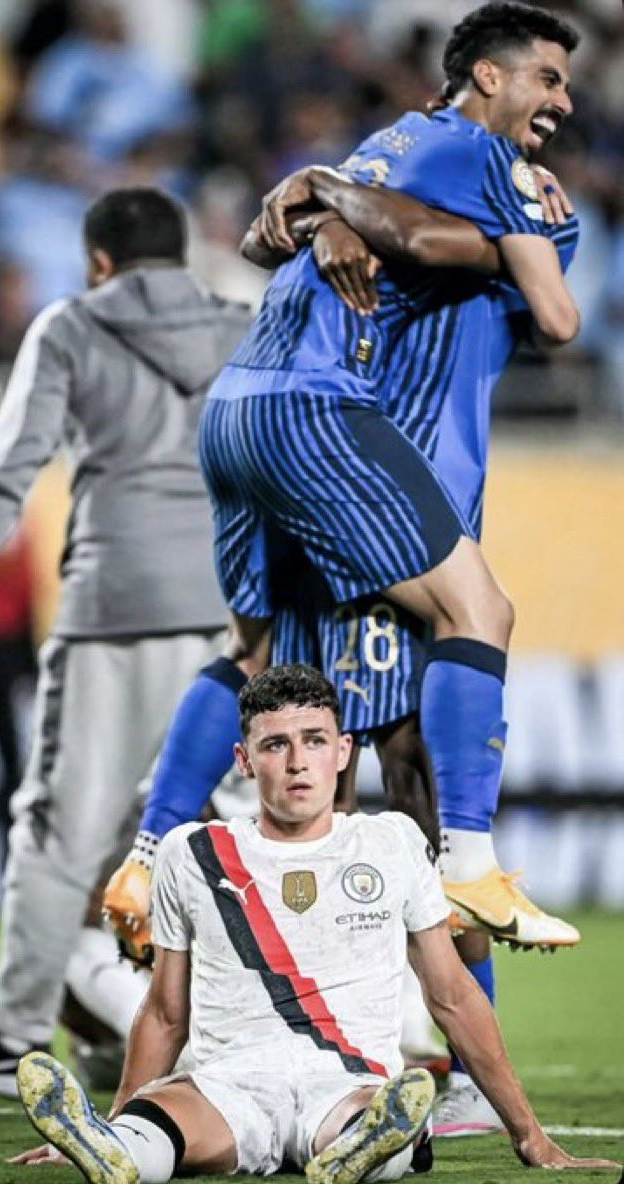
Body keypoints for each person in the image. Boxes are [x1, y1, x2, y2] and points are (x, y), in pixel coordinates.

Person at [103, 2, 582, 963]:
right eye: (546, 78)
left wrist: (332, 200)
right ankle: (431, 955)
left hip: (254, 419)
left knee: (260, 660)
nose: (563, 103)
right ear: (487, 77)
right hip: (360, 453)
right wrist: (338, 205)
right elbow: (554, 313)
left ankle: (151, 860)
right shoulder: (494, 166)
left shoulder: (388, 157)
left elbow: (399, 240)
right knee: (407, 732)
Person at [13, 666, 616, 1184]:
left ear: (344, 751)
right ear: (244, 761)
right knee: (158, 1123)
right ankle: (114, 1146)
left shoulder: (391, 842)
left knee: (378, 1116)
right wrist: (119, 1116)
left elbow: (452, 994)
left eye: (314, 740)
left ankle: (366, 1147)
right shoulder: (192, 852)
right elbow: (167, 1013)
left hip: (348, 1085)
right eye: (276, 745)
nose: (298, 762)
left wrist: (530, 1134)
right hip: (228, 1088)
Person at [0, 186, 251, 1094]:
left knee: (62, 829)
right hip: (231, 612)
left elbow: (2, 474)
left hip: (112, 605)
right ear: (182, 257)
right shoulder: (242, 327)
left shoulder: (72, 326)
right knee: (233, 833)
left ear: (98, 262)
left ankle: (14, 1035)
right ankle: (270, 1032)